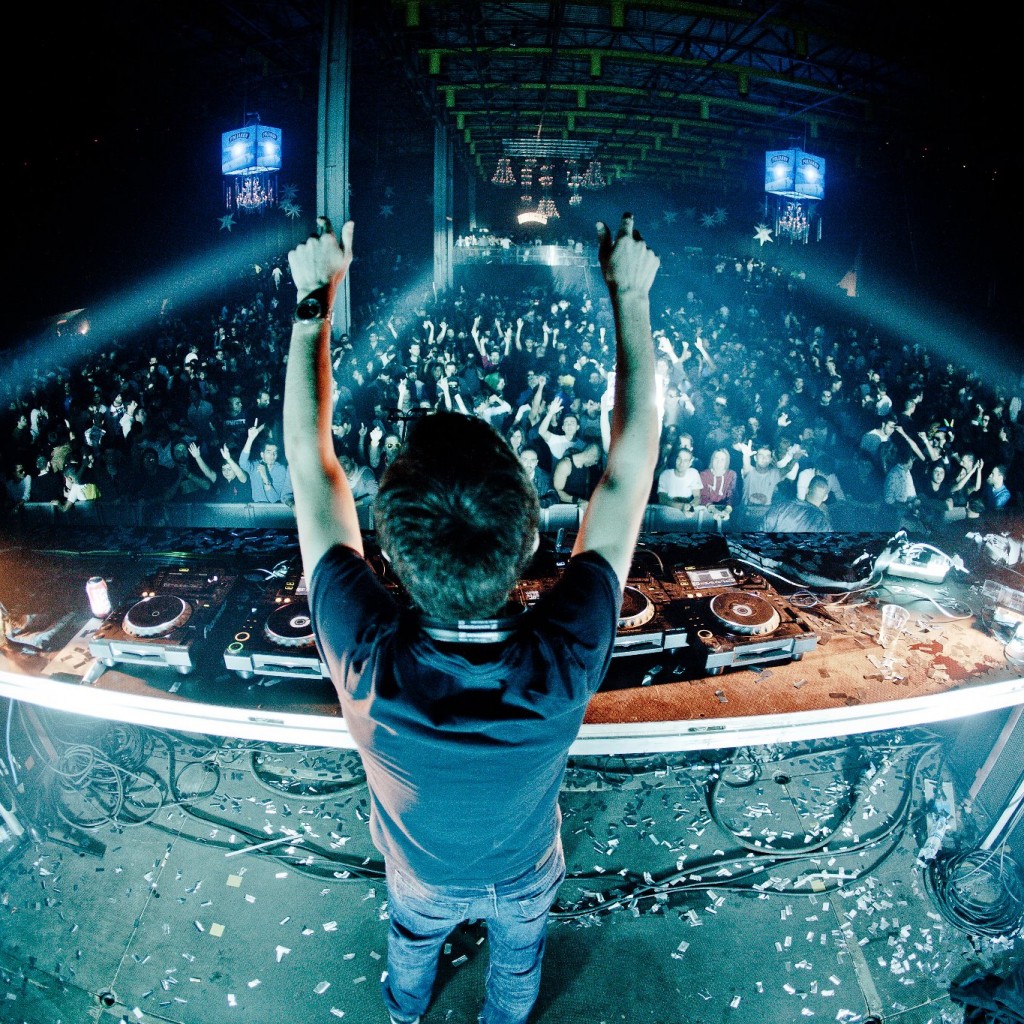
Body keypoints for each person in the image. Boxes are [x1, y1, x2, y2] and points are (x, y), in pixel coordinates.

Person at [283, 212, 659, 1024]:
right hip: (524, 869)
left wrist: (316, 299)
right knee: (520, 956)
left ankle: (403, 1012)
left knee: (411, 941)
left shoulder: (366, 657)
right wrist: (630, 295)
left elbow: (312, 468)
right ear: (530, 540)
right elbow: (629, 474)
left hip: (419, 874)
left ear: (388, 545)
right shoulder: (566, 658)